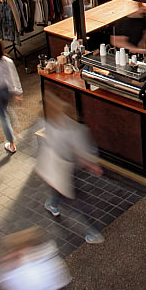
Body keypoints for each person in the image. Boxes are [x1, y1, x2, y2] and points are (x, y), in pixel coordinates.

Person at [38, 93, 105, 244]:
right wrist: (92, 164)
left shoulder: (47, 122)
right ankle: (94, 231)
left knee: (64, 190)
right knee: (77, 198)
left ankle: (53, 204)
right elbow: (82, 151)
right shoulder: (74, 129)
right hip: (68, 167)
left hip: (55, 165)